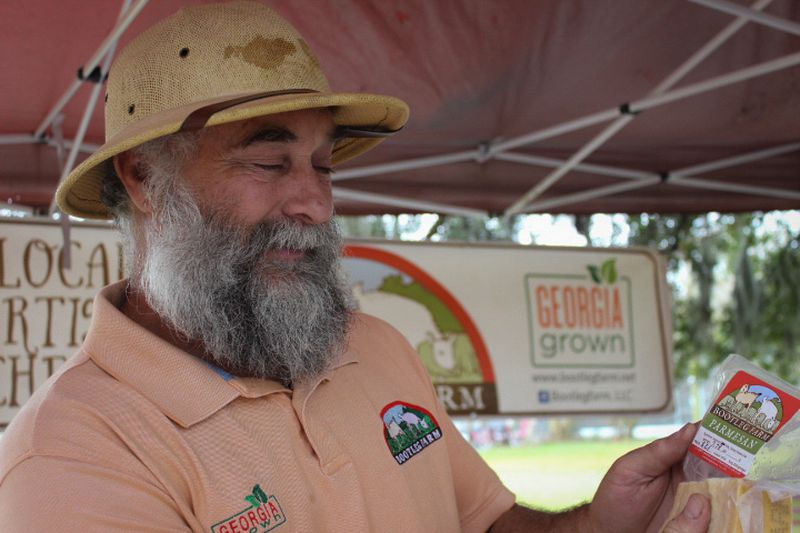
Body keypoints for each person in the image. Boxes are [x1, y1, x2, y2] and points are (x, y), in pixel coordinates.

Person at [0, 2, 710, 531]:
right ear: (145, 179)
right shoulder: (72, 453)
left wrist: (594, 525)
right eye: (268, 160)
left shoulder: (372, 348)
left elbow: (486, 523)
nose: (313, 201)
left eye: (321, 164)